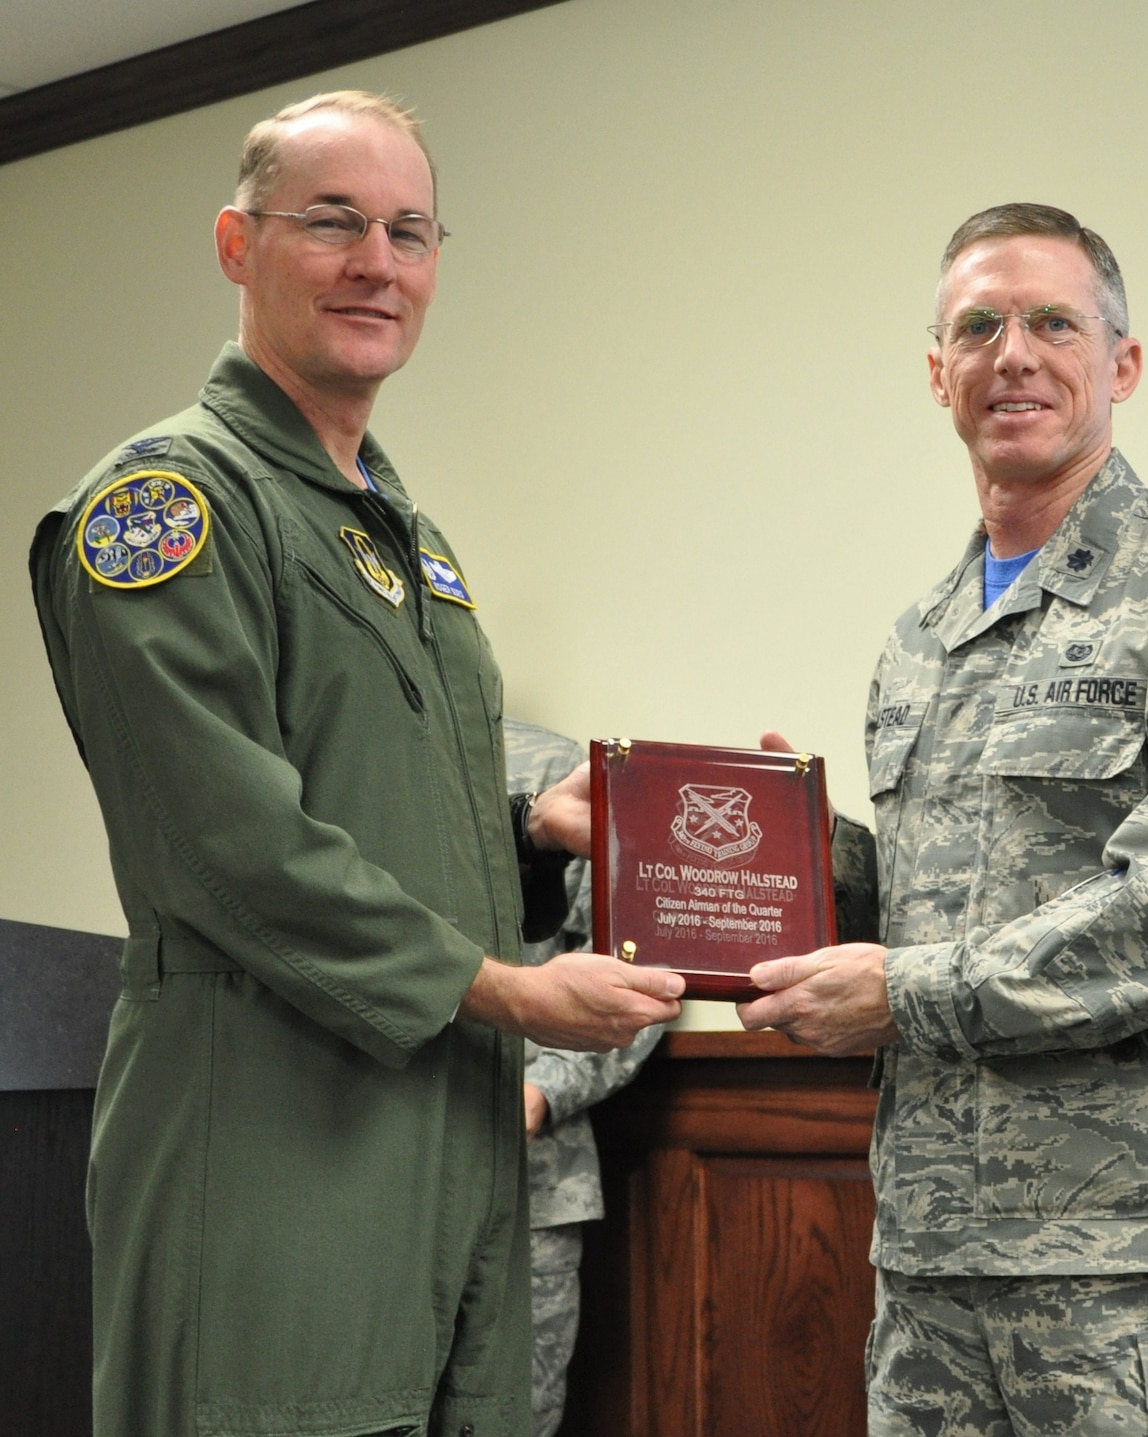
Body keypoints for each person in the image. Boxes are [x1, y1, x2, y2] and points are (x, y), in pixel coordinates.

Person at [29, 92, 683, 1437]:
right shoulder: (167, 506)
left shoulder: (405, 537)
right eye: (332, 222)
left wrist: (534, 822)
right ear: (236, 243)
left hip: (444, 1149)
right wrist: (502, 987)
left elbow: (378, 786)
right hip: (270, 1145)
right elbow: (227, 844)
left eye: (408, 230)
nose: (376, 261)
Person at [738, 203, 1148, 1435]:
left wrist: (909, 992)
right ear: (937, 372)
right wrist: (767, 850)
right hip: (936, 1273)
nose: (1015, 353)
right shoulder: (918, 638)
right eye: (979, 326)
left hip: (1146, 1283)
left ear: (1122, 364)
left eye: (1054, 322)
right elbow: (927, 902)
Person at [501, 716, 666, 1437]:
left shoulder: (556, 768)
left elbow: (639, 972)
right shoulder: (341, 763)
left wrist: (545, 1088)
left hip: (529, 1183)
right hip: (363, 1172)